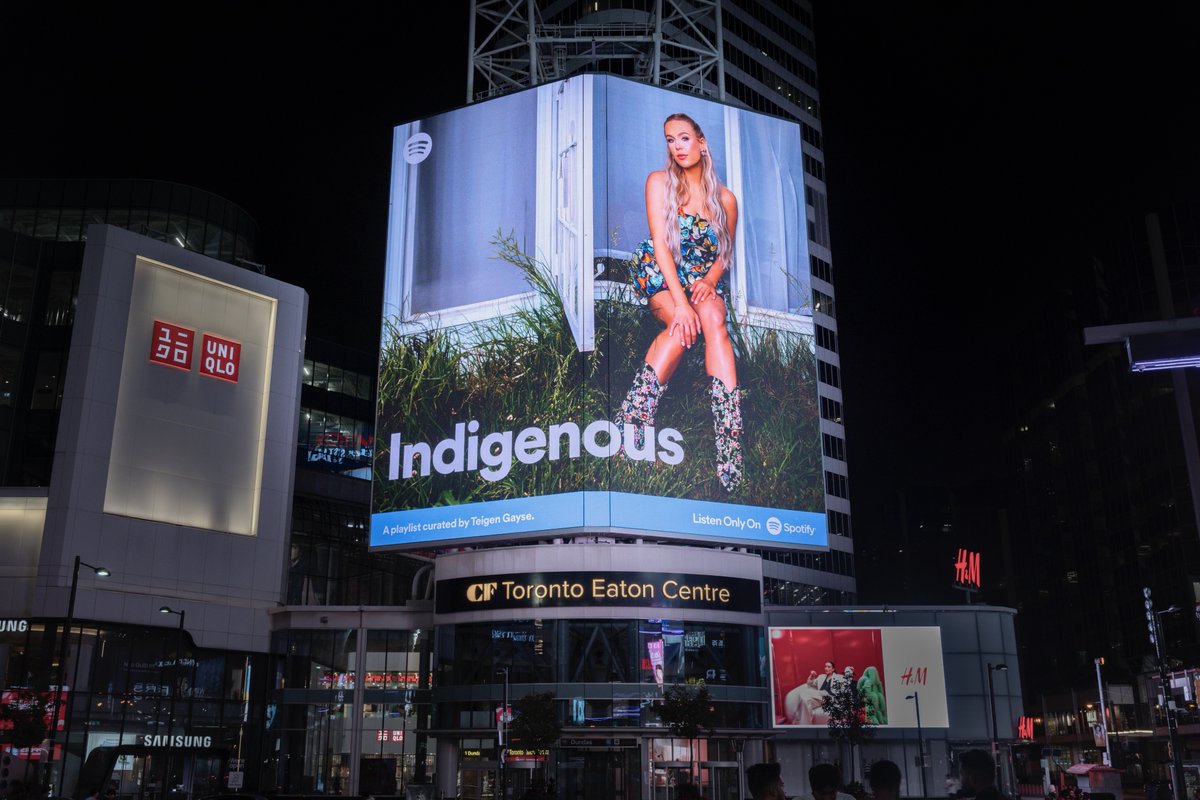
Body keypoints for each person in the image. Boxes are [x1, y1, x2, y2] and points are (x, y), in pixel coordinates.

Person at [616, 112, 743, 491]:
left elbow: (724, 253)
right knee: (680, 326)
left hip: (700, 277)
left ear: (701, 143)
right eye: (670, 140)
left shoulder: (725, 199)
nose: (677, 147)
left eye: (684, 138)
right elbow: (660, 244)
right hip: (661, 272)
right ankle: (632, 427)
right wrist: (682, 304)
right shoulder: (659, 182)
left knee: (715, 320)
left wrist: (709, 281)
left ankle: (730, 445)